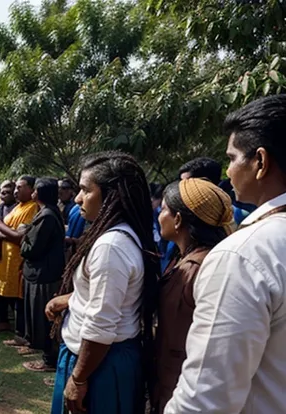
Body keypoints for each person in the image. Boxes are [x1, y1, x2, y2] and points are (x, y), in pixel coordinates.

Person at [165, 95, 286, 413]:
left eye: (232, 158)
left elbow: (204, 400)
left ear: (260, 162)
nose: (228, 172)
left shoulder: (243, 255)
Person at [45, 151, 159, 414]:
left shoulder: (111, 246)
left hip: (100, 366)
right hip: (98, 360)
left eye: (85, 190)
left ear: (111, 195)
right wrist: (71, 298)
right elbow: (110, 297)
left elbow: (102, 323)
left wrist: (79, 378)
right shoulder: (115, 237)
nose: (77, 198)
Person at [150, 178, 232, 413]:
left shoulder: (200, 267)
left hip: (182, 388)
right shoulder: (187, 259)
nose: (159, 214)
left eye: (164, 209)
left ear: (177, 220)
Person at [18, 178, 65, 372]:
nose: (33, 193)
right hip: (42, 273)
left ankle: (49, 360)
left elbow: (32, 249)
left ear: (39, 193)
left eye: (35, 190)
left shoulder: (46, 216)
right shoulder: (49, 212)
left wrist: (23, 235)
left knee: (44, 319)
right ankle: (46, 355)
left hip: (44, 275)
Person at [0, 176, 39, 335]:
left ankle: (22, 331)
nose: (16, 191)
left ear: (32, 190)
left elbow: (21, 236)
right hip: (4, 257)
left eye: (20, 187)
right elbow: (7, 232)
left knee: (18, 295)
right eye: (16, 188)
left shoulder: (32, 208)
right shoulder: (18, 207)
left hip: (18, 258)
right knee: (1, 291)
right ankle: (3, 321)